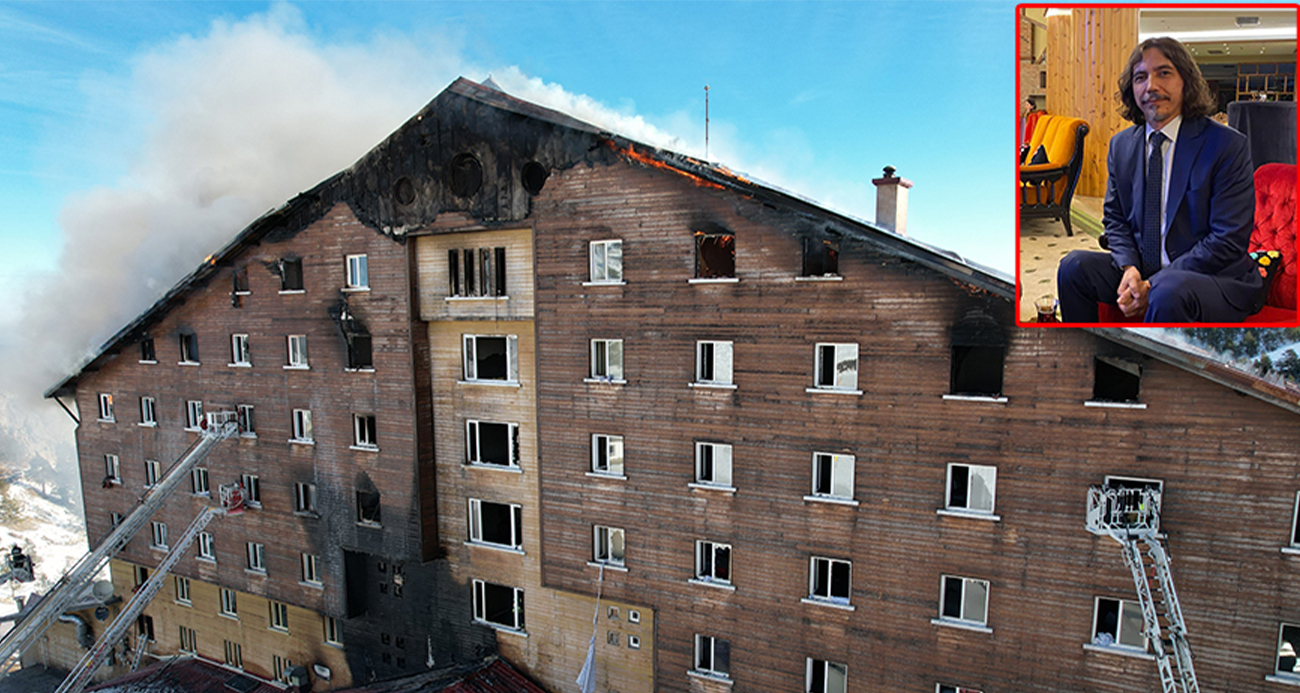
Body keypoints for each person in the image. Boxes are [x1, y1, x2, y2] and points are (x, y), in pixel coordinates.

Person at [1057, 37, 1262, 322]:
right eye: (1140, 77)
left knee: (1167, 291)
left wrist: (1153, 285)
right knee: (1072, 266)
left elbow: (1227, 240)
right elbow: (1115, 219)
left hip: (1213, 278)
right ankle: (1079, 360)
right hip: (1143, 268)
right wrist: (1129, 269)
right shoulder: (1121, 145)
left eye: (1164, 73)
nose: (1151, 86)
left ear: (1185, 81)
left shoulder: (1226, 145)